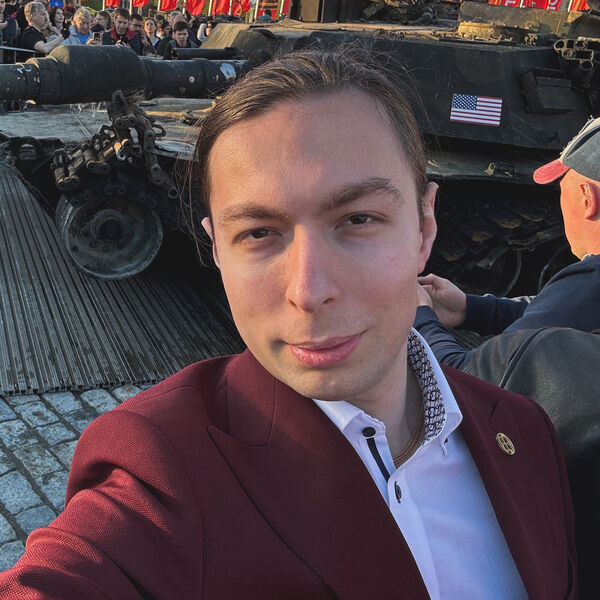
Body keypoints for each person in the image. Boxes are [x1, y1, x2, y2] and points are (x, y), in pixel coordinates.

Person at [0, 50, 576, 599]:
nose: (308, 291)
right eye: (258, 233)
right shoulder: (165, 468)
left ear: (425, 225)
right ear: (216, 248)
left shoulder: (523, 431)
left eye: (358, 219)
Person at [415, 116, 600, 371]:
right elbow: (565, 309)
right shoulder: (586, 290)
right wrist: (469, 308)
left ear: (586, 198)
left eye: (561, 189)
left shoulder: (590, 280)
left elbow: (469, 376)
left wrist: (421, 317)